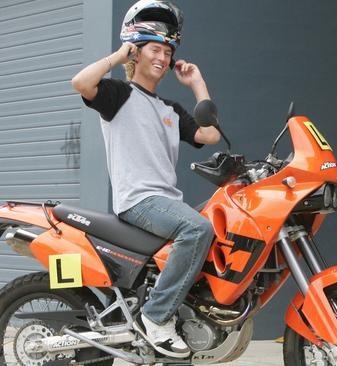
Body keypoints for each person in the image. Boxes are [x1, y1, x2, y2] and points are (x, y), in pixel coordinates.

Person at [70, 0, 218, 357]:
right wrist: (119, 56)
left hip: (166, 203)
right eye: (156, 49)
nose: (164, 58)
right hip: (139, 201)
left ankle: (174, 318)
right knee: (197, 229)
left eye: (168, 51)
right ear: (137, 52)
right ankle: (155, 316)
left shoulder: (171, 109)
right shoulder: (119, 96)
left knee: (216, 225)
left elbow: (210, 136)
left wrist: (198, 84)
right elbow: (81, 82)